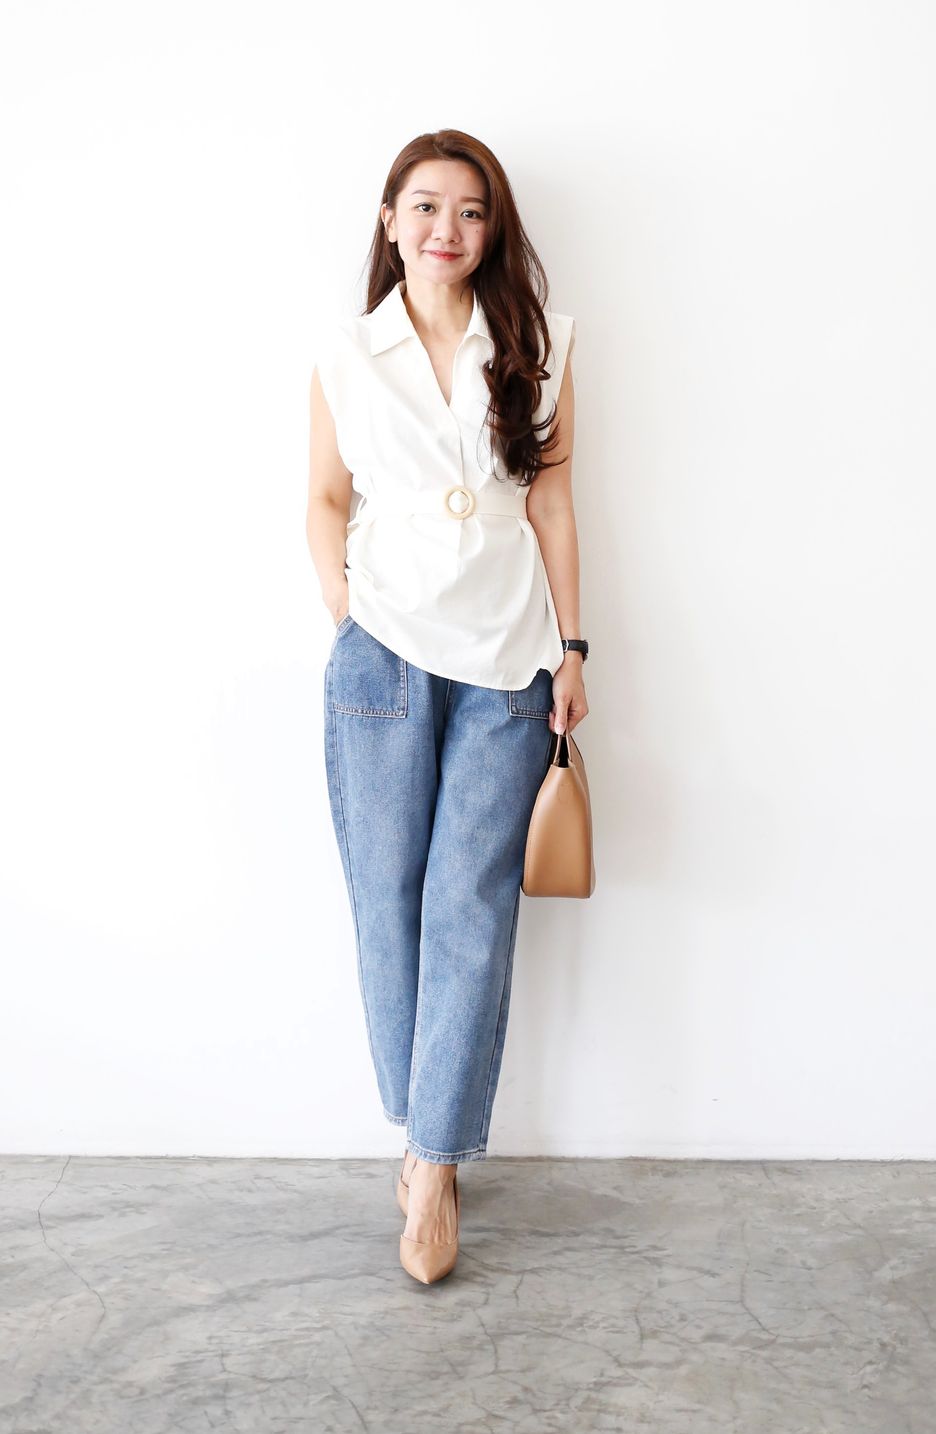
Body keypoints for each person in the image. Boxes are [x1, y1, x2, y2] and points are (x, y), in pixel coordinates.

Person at [306, 129, 589, 1283]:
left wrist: (572, 649)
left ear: (491, 229)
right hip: (382, 654)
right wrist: (348, 613)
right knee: (388, 900)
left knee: (468, 901)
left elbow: (555, 505)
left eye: (470, 211)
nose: (446, 228)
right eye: (425, 206)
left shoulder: (538, 344)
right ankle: (422, 1124)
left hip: (510, 658)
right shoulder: (346, 353)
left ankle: (432, 1166)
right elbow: (323, 500)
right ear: (390, 220)